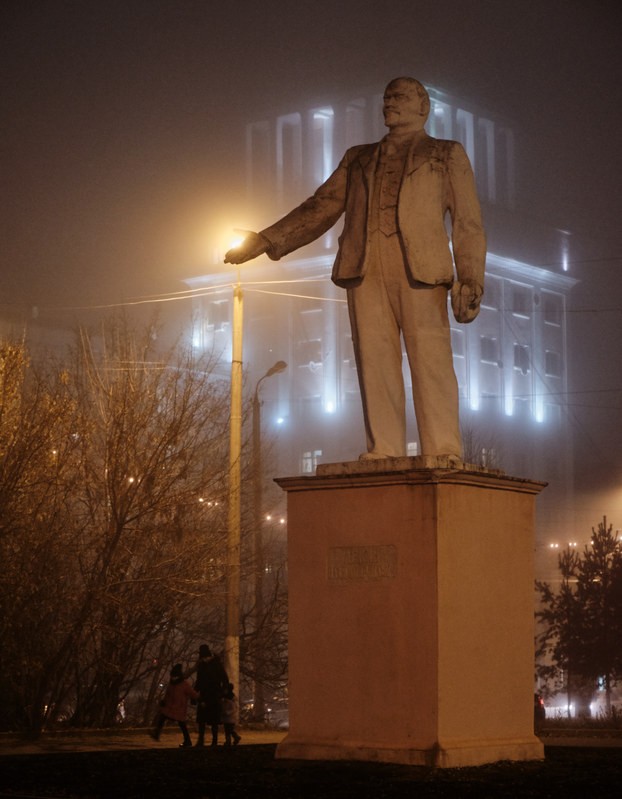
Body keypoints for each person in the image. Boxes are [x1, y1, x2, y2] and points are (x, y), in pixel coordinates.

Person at [225, 77, 486, 462]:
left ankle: (444, 449)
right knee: (374, 361)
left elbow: (468, 222)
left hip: (422, 270)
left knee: (431, 362)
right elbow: (322, 206)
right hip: (364, 267)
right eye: (386, 98)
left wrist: (471, 277)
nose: (389, 104)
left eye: (399, 97)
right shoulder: (358, 158)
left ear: (423, 107)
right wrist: (266, 240)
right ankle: (384, 448)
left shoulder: (446, 154)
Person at [151, 663, 199, 748]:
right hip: (170, 707)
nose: (173, 678)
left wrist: (199, 698)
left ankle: (187, 741)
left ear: (178, 676)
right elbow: (167, 695)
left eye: (174, 676)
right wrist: (164, 702)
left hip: (179, 708)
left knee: (182, 725)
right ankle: (157, 734)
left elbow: (192, 693)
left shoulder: (184, 685)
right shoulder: (171, 684)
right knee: (163, 718)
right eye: (172, 676)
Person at [191, 644, 229, 747]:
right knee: (209, 719)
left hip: (212, 694)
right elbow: (224, 678)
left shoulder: (210, 664)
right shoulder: (212, 664)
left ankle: (208, 740)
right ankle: (208, 740)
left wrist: (195, 692)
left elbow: (223, 678)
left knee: (209, 719)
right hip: (211, 694)